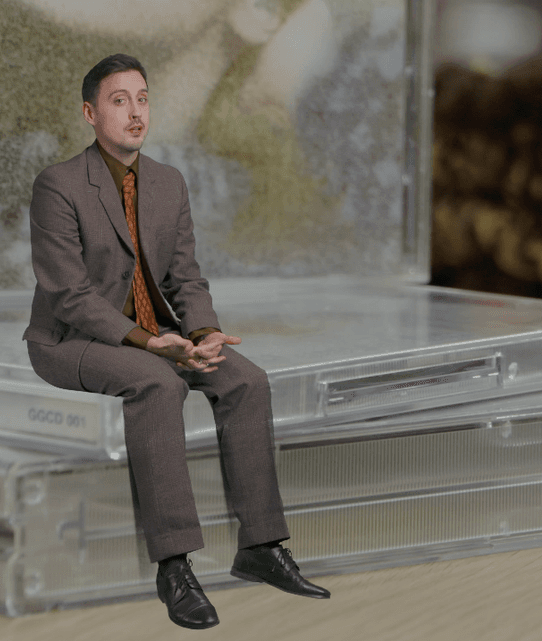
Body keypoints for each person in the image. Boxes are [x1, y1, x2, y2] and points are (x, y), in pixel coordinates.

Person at [23, 53, 329, 630]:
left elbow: (185, 277)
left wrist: (204, 334)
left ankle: (260, 547)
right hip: (71, 341)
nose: (135, 112)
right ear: (90, 113)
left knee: (246, 379)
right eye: (119, 101)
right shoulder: (58, 185)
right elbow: (69, 295)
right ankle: (174, 567)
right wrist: (149, 343)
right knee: (158, 384)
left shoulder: (167, 182)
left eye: (143, 99)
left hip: (156, 334)